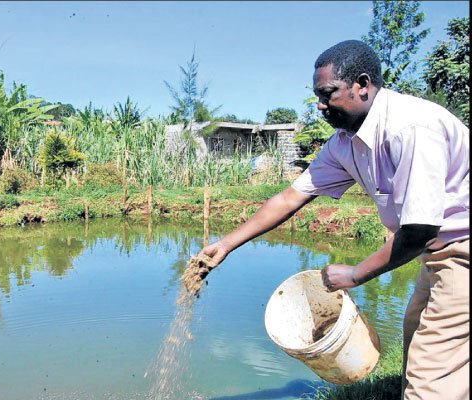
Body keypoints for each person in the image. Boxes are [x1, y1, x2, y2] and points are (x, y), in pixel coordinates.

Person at [198, 39, 469, 400]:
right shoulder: (345, 142)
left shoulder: (410, 128)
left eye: (328, 94)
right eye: (317, 96)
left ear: (362, 84)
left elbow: (419, 229)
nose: (320, 105)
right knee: (417, 333)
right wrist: (226, 244)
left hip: (461, 251)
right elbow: (291, 197)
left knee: (430, 379)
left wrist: (356, 274)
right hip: (436, 252)